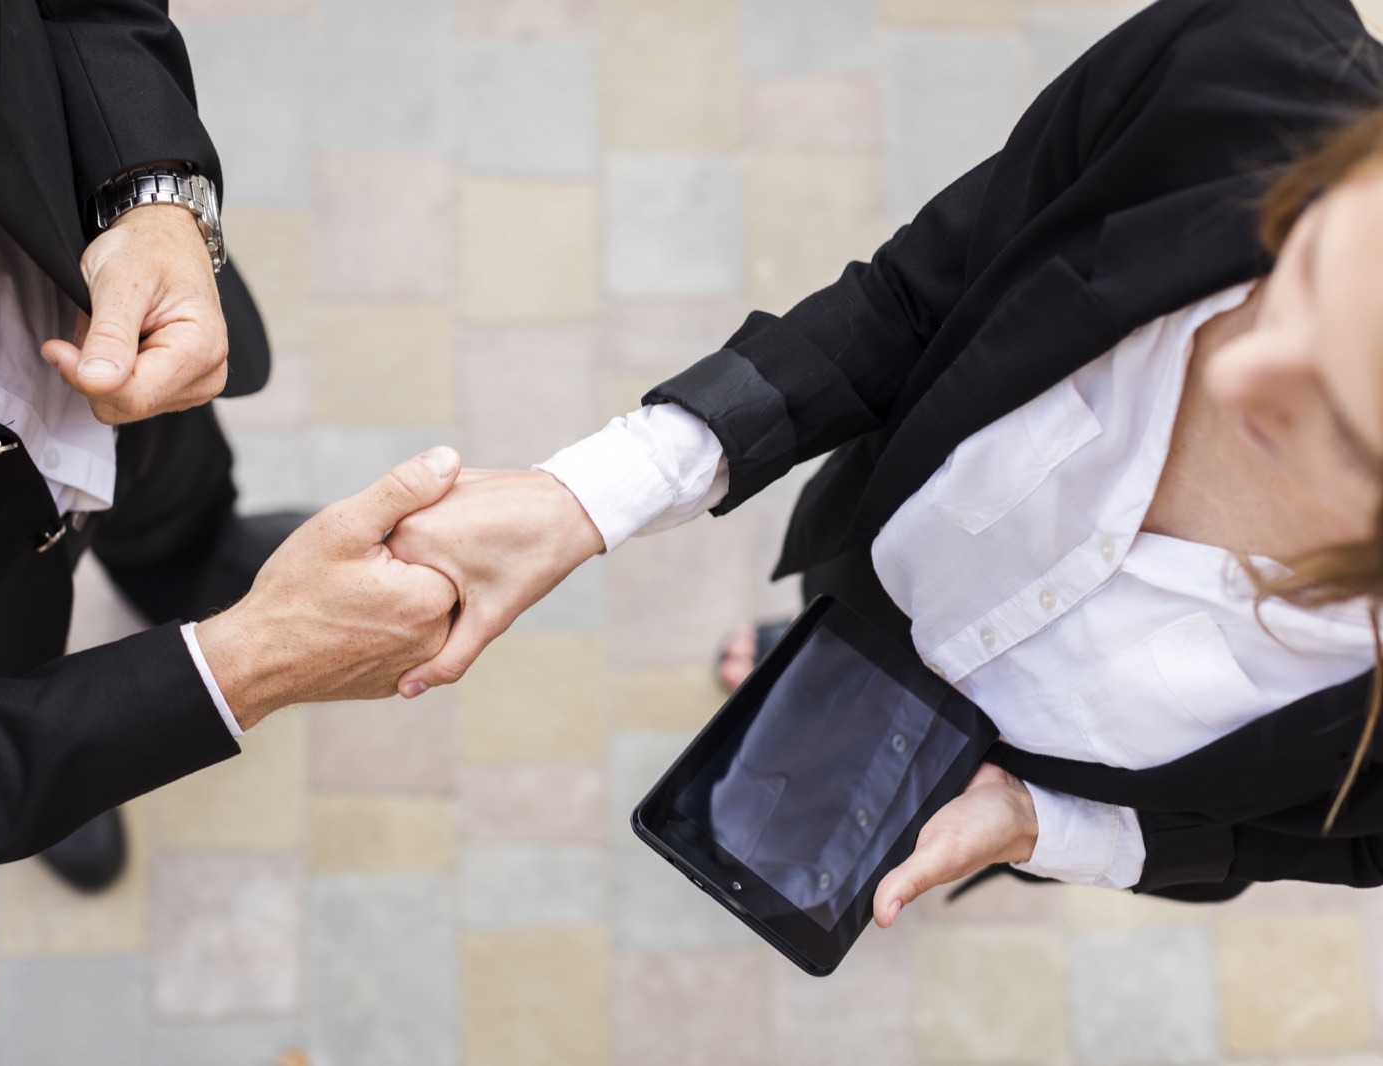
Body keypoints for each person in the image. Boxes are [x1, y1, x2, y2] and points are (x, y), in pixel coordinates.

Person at [384, 0, 1383, 921]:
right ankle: (809, 649)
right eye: (1301, 272)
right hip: (873, 559)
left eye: (1336, 416)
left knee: (919, 817)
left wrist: (1052, 827)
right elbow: (916, 297)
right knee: (835, 634)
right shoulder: (1237, 64)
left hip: (1037, 765)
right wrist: (596, 493)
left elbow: (1350, 842)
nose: (1244, 367)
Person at [0, 0, 458, 940]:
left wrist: (152, 196)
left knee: (188, 507)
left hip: (110, 335)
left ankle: (202, 563)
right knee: (48, 717)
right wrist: (229, 671)